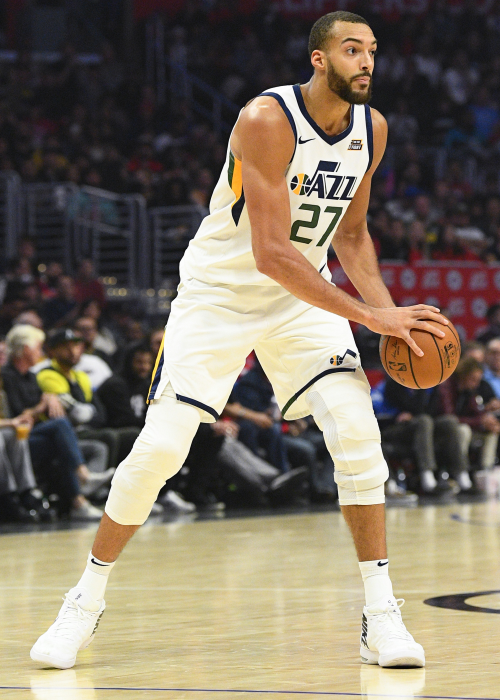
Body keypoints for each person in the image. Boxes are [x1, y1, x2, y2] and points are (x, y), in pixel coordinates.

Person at [31, 11, 449, 670]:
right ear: (318, 59)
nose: (367, 61)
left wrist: (389, 311)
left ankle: (380, 616)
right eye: (352, 49)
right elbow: (272, 253)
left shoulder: (373, 130)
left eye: (372, 50)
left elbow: (351, 234)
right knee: (159, 449)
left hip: (303, 299)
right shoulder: (266, 119)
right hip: (220, 295)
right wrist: (373, 320)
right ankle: (83, 601)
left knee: (357, 435)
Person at [1, 325, 107, 520]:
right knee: (60, 426)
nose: (41, 352)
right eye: (38, 347)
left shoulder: (31, 376)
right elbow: (20, 416)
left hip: (32, 435)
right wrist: (42, 404)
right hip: (15, 440)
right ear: (26, 349)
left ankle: (80, 502)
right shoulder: (7, 376)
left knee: (70, 444)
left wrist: (47, 400)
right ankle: (83, 479)